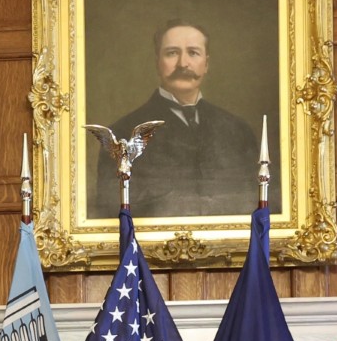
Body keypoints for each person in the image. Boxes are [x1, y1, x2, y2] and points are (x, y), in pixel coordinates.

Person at [98, 19, 261, 219]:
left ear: (206, 64)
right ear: (157, 62)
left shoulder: (238, 131)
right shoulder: (123, 134)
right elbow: (110, 213)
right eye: (172, 53)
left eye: (193, 52)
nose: (183, 63)